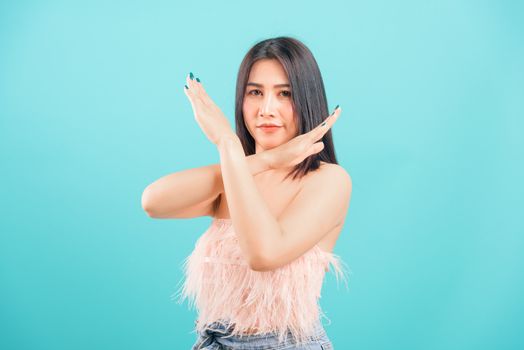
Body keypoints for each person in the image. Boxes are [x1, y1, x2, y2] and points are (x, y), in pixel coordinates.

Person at [141, 36, 352, 349]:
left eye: (285, 94)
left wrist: (227, 144)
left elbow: (264, 254)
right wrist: (262, 161)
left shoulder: (329, 181)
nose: (267, 109)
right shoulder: (236, 178)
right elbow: (153, 202)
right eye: (255, 92)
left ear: (308, 100)